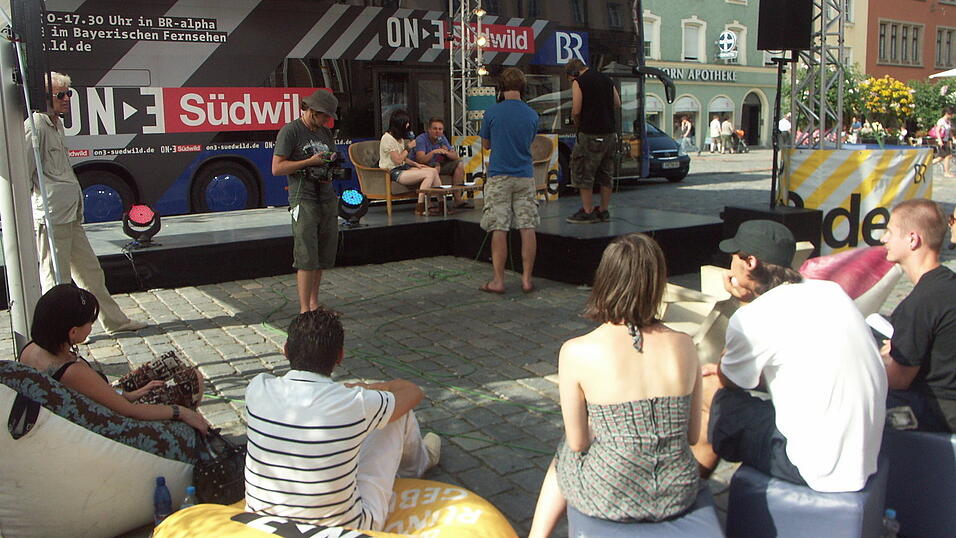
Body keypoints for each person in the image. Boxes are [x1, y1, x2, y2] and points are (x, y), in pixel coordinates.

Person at [528, 234, 702, 537]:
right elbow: (693, 435)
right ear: (657, 283)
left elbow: (578, 444)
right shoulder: (685, 344)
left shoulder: (576, 351)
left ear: (605, 280)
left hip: (610, 494)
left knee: (565, 452)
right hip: (678, 491)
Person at [695, 220, 886, 492]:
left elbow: (730, 381)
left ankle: (687, 498)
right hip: (862, 455)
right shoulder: (831, 291)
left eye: (734, 257)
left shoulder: (753, 317)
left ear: (750, 263)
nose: (730, 265)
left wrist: (741, 304)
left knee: (708, 392)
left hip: (814, 466)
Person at [244, 308, 441, 530]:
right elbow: (413, 392)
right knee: (396, 414)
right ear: (340, 356)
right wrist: (372, 387)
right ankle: (418, 464)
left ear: (286, 350)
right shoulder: (354, 402)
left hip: (260, 520)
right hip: (345, 527)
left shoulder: (258, 387)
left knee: (375, 417)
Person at [24, 72, 146, 335]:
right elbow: (24, 172)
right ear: (44, 97)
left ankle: (114, 321)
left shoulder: (57, 124)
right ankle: (59, 331)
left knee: (90, 272)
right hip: (51, 214)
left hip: (69, 213)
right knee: (55, 277)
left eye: (69, 93)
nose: (67, 99)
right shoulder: (35, 127)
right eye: (61, 95)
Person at [17, 284, 209, 433]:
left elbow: (94, 390)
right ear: (73, 332)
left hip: (96, 402)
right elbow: (129, 411)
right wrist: (180, 412)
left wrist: (128, 394)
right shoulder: (72, 371)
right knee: (192, 379)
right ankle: (187, 436)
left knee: (169, 363)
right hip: (112, 421)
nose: (92, 326)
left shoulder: (31, 348)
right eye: (90, 322)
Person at [879, 199, 956, 432]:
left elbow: (897, 380)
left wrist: (877, 358)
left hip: (939, 412)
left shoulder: (920, 303)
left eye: (890, 232)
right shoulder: (948, 284)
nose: (883, 239)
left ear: (913, 239)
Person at [272, 89, 341, 313]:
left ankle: (314, 304)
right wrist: (308, 162)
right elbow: (277, 168)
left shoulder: (325, 133)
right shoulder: (291, 131)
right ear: (312, 111)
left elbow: (331, 158)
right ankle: (304, 310)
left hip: (326, 195)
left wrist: (330, 167)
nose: (327, 121)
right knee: (306, 254)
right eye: (324, 116)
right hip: (303, 197)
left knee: (322, 253)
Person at [477, 67, 539, 294]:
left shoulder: (492, 112)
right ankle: (527, 279)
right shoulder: (532, 114)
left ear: (500, 87)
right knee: (527, 226)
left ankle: (498, 281)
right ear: (523, 87)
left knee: (499, 227)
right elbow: (529, 141)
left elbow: (486, 145)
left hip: (499, 175)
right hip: (525, 175)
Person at [564, 58, 621, 224]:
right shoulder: (606, 79)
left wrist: (578, 123)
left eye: (571, 79)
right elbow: (617, 103)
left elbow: (576, 110)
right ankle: (603, 210)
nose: (572, 82)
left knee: (584, 172)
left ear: (574, 73)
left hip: (590, 134)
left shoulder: (579, 82)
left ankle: (587, 211)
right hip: (610, 134)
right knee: (606, 173)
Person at [380, 110, 444, 216]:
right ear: (400, 123)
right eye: (406, 123)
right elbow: (398, 160)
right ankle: (420, 207)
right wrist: (409, 147)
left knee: (433, 170)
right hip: (393, 171)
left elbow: (403, 158)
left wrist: (416, 164)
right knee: (429, 174)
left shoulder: (399, 138)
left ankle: (442, 205)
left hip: (403, 167)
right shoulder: (387, 138)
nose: (408, 125)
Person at [413, 118, 473, 210]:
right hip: (424, 166)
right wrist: (433, 152)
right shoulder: (421, 139)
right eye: (435, 129)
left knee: (459, 164)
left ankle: (457, 200)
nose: (437, 131)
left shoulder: (442, 138)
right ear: (429, 130)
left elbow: (455, 156)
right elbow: (420, 159)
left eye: (440, 129)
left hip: (439, 164)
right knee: (436, 166)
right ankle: (429, 202)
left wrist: (447, 152)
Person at [931, 107, 955, 178]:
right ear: (947, 113)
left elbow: (949, 131)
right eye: (951, 114)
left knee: (941, 157)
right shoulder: (941, 121)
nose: (952, 116)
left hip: (945, 141)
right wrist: (939, 140)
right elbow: (937, 131)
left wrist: (953, 138)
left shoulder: (948, 121)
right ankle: (946, 173)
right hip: (941, 141)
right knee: (947, 156)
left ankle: (926, 164)